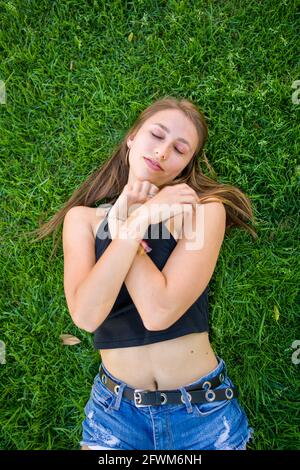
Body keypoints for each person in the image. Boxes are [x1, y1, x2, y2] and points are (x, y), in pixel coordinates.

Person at [32, 96, 257, 450]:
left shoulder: (202, 212)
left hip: (201, 412)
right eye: (156, 135)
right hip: (115, 415)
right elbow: (87, 316)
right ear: (132, 138)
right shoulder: (83, 221)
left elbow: (159, 312)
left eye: (180, 149)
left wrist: (126, 223)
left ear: (184, 167)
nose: (163, 151)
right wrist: (134, 220)